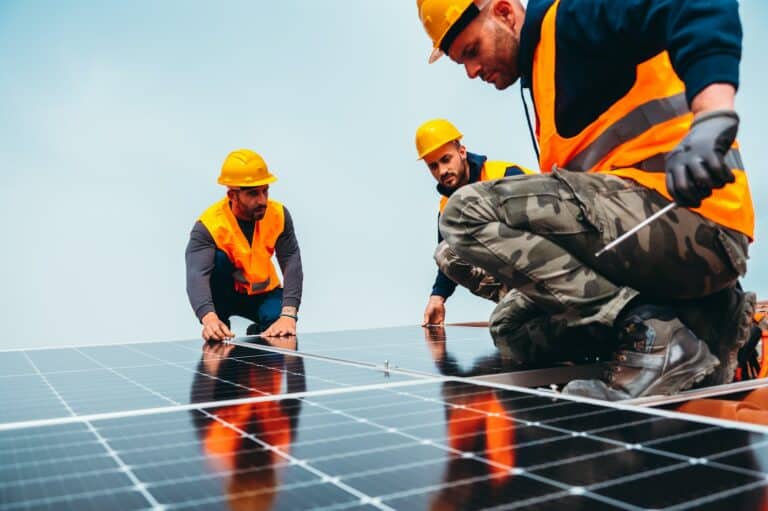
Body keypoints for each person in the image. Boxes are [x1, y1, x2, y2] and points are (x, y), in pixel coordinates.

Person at [416, 0, 756, 400]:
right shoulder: (544, 83)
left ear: (505, 13)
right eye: (462, 64)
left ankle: (655, 337)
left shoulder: (570, 16)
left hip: (691, 222)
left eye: (472, 52)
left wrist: (711, 117)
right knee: (511, 326)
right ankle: (696, 323)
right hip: (642, 245)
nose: (472, 72)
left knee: (463, 212)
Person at [416, 118, 534, 326]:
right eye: (433, 166)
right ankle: (514, 300)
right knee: (445, 253)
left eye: (446, 159)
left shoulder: (503, 175)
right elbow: (448, 258)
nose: (442, 171)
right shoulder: (447, 208)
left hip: (544, 261)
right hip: (511, 277)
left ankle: (541, 298)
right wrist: (437, 298)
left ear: (462, 152)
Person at [186, 149, 303, 341]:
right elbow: (196, 275)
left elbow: (291, 261)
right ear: (232, 195)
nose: (262, 200)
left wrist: (288, 315)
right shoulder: (208, 226)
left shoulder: (279, 215)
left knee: (279, 328)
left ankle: (258, 330)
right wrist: (208, 318)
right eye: (253, 194)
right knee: (217, 259)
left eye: (265, 191)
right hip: (225, 294)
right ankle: (220, 326)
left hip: (264, 293)